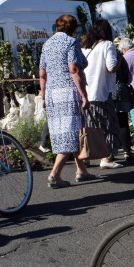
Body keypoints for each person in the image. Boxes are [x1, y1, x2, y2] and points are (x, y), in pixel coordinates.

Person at [40, 14, 93, 188]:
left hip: (52, 94)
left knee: (66, 132)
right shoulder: (71, 42)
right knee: (70, 133)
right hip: (67, 92)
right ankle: (54, 175)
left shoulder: (47, 44)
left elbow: (42, 73)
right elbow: (74, 69)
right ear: (72, 28)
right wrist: (83, 95)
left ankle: (81, 170)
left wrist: (43, 95)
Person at [81, 20, 124, 170]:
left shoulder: (85, 47)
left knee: (89, 127)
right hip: (101, 93)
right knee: (109, 126)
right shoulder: (107, 45)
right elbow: (111, 67)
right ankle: (107, 158)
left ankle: (85, 158)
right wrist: (119, 60)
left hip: (85, 94)